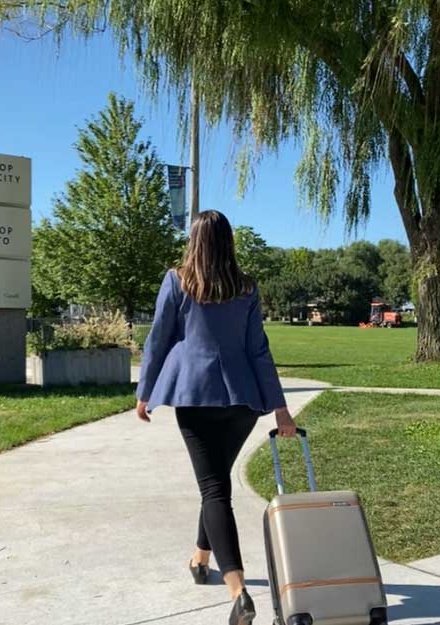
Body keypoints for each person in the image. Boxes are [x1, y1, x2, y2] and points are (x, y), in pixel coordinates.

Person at [136, 210, 295, 625]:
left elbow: (158, 338)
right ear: (228, 242)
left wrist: (144, 392)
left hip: (195, 397)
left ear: (194, 241)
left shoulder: (177, 281)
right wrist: (280, 407)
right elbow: (259, 349)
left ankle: (238, 591)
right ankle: (200, 557)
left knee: (214, 490)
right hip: (242, 401)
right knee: (216, 483)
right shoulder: (245, 287)